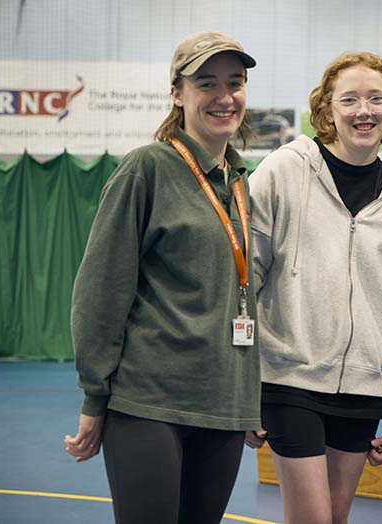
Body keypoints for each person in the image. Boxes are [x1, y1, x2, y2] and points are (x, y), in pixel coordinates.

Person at [64, 31, 261, 524]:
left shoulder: (239, 182)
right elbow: (100, 292)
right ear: (178, 93)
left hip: (223, 406)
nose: (224, 96)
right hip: (149, 403)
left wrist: (250, 398)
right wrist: (95, 396)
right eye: (207, 84)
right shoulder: (146, 169)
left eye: (234, 83)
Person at [245, 51, 382, 524]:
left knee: (336, 517)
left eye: (376, 100)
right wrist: (242, 391)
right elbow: (245, 282)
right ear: (326, 110)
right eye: (349, 100)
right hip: (288, 380)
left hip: (366, 388)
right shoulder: (283, 170)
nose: (363, 111)